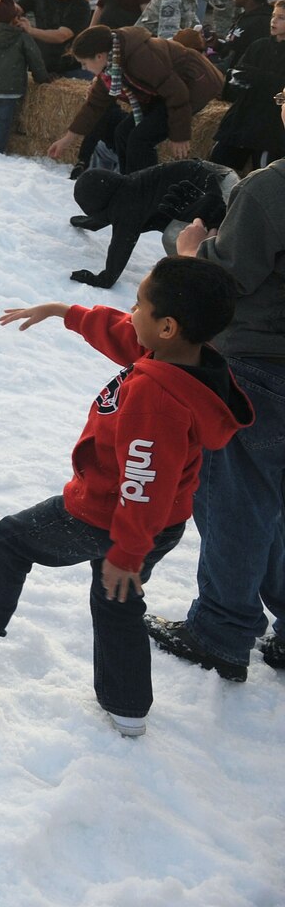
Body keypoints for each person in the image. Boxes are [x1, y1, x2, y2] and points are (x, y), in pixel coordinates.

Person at [0, 258, 251, 737]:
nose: (131, 310)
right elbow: (127, 335)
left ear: (169, 325)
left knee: (13, 538)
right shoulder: (182, 360)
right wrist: (63, 311)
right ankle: (128, 706)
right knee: (116, 600)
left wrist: (127, 550)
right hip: (156, 523)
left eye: (140, 304)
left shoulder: (156, 399)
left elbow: (144, 481)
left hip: (107, 514)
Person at [148, 151, 285, 681]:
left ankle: (221, 631)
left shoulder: (271, 187)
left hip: (259, 369)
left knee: (236, 499)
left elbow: (225, 279)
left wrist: (189, 252)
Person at [45, 24, 225, 176]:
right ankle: (128, 184)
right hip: (164, 91)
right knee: (122, 132)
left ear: (100, 56)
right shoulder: (112, 65)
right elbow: (94, 105)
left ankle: (147, 190)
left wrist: (180, 135)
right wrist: (67, 140)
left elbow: (177, 93)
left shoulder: (140, 57)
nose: (84, 68)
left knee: (140, 139)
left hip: (195, 83)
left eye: (84, 63)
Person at [66, 158, 229, 289]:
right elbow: (111, 218)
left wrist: (103, 279)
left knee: (175, 238)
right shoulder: (129, 186)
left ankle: (202, 281)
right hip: (216, 174)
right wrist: (86, 222)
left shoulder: (127, 205)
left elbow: (122, 243)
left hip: (219, 190)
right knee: (176, 225)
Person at [208, 0, 285, 173]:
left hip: (270, 126)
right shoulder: (259, 46)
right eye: (274, 16)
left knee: (265, 173)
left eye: (281, 18)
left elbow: (279, 88)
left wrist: (257, 78)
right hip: (241, 119)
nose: (274, 21)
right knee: (217, 169)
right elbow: (238, 77)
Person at [0, 0, 52, 155]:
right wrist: (42, 78)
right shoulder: (22, 37)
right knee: (3, 120)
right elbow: (35, 59)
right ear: (15, 19)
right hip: (11, 87)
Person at [19, 0, 92, 77]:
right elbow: (18, 8)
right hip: (39, 62)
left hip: (68, 67)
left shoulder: (81, 7)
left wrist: (30, 30)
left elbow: (61, 36)